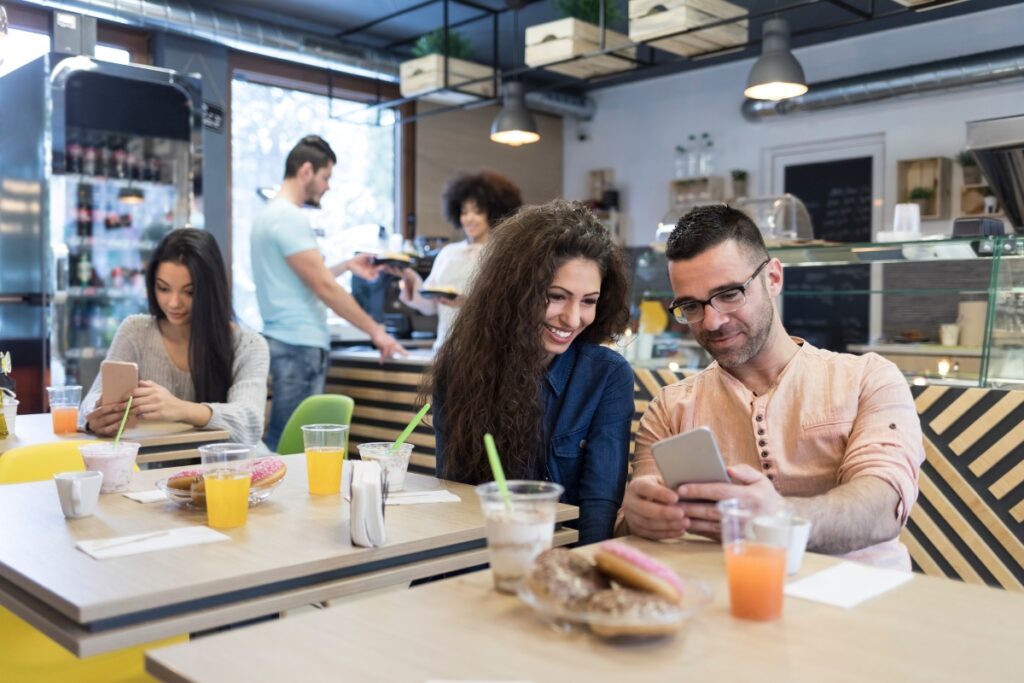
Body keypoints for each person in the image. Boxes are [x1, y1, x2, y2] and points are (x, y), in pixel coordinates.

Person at [621, 204, 925, 570]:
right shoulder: (670, 408)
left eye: (730, 293)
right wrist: (639, 517)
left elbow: (881, 509)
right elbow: (634, 518)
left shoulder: (869, 379)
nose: (714, 321)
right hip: (727, 600)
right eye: (691, 305)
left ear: (774, 278)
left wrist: (780, 517)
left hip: (862, 602)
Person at [429, 199, 634, 545]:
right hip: (481, 560)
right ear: (514, 292)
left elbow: (598, 510)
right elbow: (458, 501)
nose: (572, 319)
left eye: (588, 301)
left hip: (565, 564)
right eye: (556, 296)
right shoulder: (461, 369)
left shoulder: (606, 377)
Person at [251, 135, 406, 451]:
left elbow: (307, 278)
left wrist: (347, 265)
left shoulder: (268, 215)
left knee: (288, 443)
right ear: (306, 171)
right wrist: (376, 331)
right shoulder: (288, 217)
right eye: (326, 177)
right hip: (299, 347)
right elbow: (323, 287)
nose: (328, 186)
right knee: (290, 447)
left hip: (287, 343)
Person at [82, 229, 269, 446]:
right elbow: (87, 405)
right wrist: (95, 416)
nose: (173, 303)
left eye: (189, 292)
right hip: (154, 469)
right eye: (163, 288)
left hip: (229, 471)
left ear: (211, 290)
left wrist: (180, 409)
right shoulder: (135, 331)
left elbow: (250, 424)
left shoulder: (248, 345)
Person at [397, 170, 522, 350]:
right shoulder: (448, 253)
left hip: (487, 351)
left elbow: (512, 310)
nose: (469, 219)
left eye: (478, 212)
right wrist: (409, 278)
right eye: (464, 212)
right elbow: (429, 307)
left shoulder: (503, 255)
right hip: (445, 350)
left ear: (494, 213)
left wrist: (469, 304)